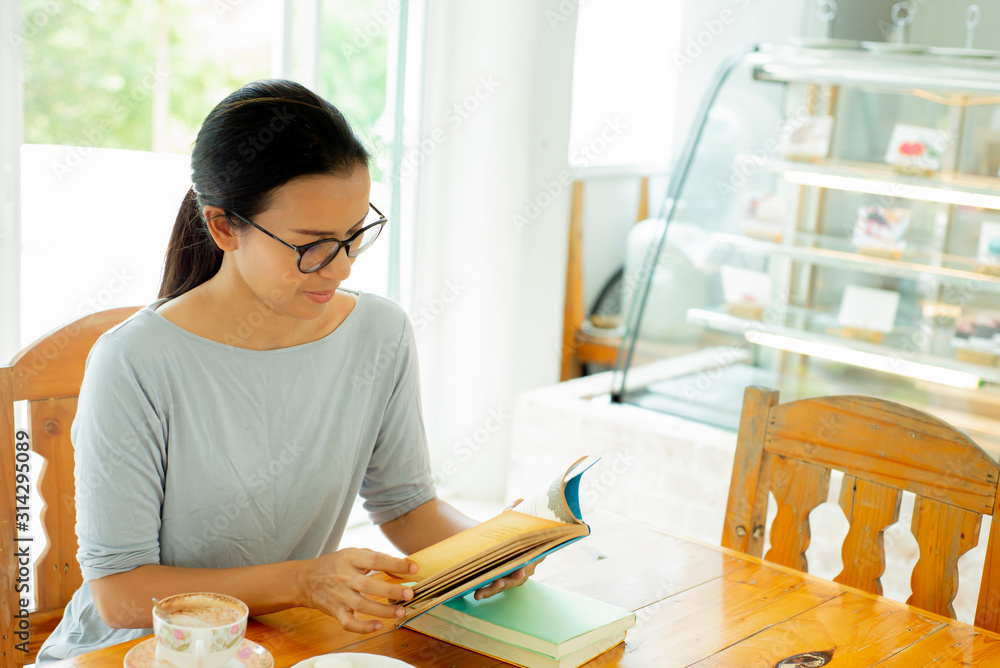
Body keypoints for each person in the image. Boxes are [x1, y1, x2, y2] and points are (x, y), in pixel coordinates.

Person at [37, 79, 531, 663]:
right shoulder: (136, 361)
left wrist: (492, 550)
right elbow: (119, 595)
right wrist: (304, 581)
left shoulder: (380, 332)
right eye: (313, 244)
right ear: (223, 227)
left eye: (354, 237)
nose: (340, 269)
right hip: (145, 651)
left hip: (281, 644)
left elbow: (406, 507)